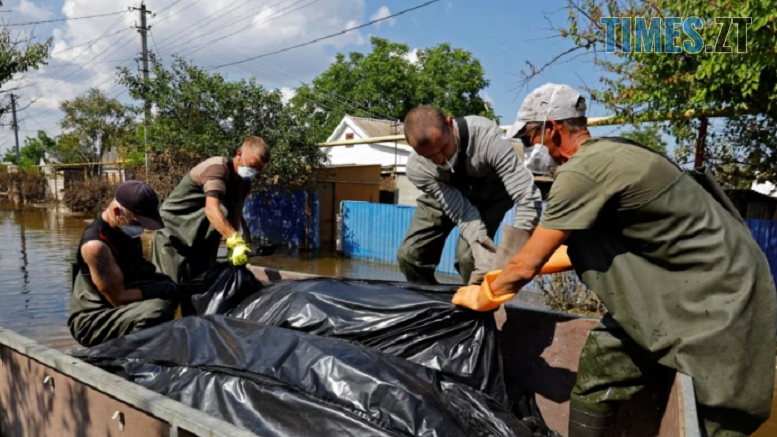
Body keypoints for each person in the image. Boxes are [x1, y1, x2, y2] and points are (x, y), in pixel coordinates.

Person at [455, 83, 776, 437]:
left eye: (532, 136)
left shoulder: (581, 173)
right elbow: (557, 251)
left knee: (716, 412)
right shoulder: (609, 154)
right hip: (674, 282)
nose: (531, 147)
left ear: (554, 128)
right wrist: (505, 275)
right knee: (602, 361)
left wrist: (484, 294)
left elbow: (527, 265)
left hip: (719, 287)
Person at [397, 106, 543, 285]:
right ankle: (432, 307)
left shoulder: (487, 137)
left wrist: (515, 252)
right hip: (445, 193)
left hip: (490, 194)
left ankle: (481, 308)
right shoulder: (418, 168)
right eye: (431, 157)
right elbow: (460, 210)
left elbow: (525, 193)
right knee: (409, 256)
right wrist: (475, 235)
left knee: (470, 258)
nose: (440, 160)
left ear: (450, 124)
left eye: (443, 148)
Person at [69, 181, 191, 348]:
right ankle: (127, 361)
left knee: (173, 292)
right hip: (93, 319)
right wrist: (158, 290)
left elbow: (139, 274)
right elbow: (118, 298)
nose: (142, 229)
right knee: (157, 310)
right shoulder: (96, 246)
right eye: (137, 223)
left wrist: (171, 286)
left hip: (120, 309)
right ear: (117, 212)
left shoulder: (126, 234)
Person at [152, 136, 270, 283]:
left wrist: (232, 247)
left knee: (200, 287)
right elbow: (212, 210)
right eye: (252, 165)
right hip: (174, 232)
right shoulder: (217, 168)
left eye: (258, 169)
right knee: (170, 289)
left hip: (200, 238)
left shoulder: (243, 184)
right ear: (239, 154)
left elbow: (235, 215)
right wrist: (235, 241)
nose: (253, 171)